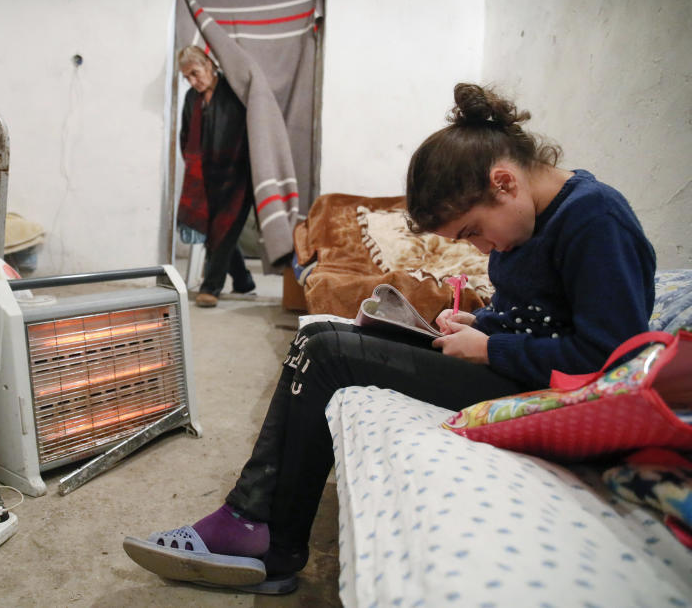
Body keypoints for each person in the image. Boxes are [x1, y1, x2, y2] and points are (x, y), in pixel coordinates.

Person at [123, 83, 657, 594]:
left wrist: (492, 348)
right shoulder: (526, 222)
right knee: (322, 337)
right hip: (515, 367)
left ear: (504, 182)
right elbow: (533, 313)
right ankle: (250, 518)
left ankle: (268, 541)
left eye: (472, 231)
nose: (477, 249)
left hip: (547, 395)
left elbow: (613, 359)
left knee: (331, 354)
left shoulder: (595, 217)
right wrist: (483, 326)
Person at [176, 46, 256, 308]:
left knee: (225, 228)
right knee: (216, 231)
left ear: (209, 66)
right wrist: (193, 168)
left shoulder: (233, 92)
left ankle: (211, 287)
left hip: (237, 175)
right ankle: (244, 282)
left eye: (195, 74)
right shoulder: (191, 98)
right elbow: (185, 135)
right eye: (187, 77)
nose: (192, 81)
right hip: (206, 178)